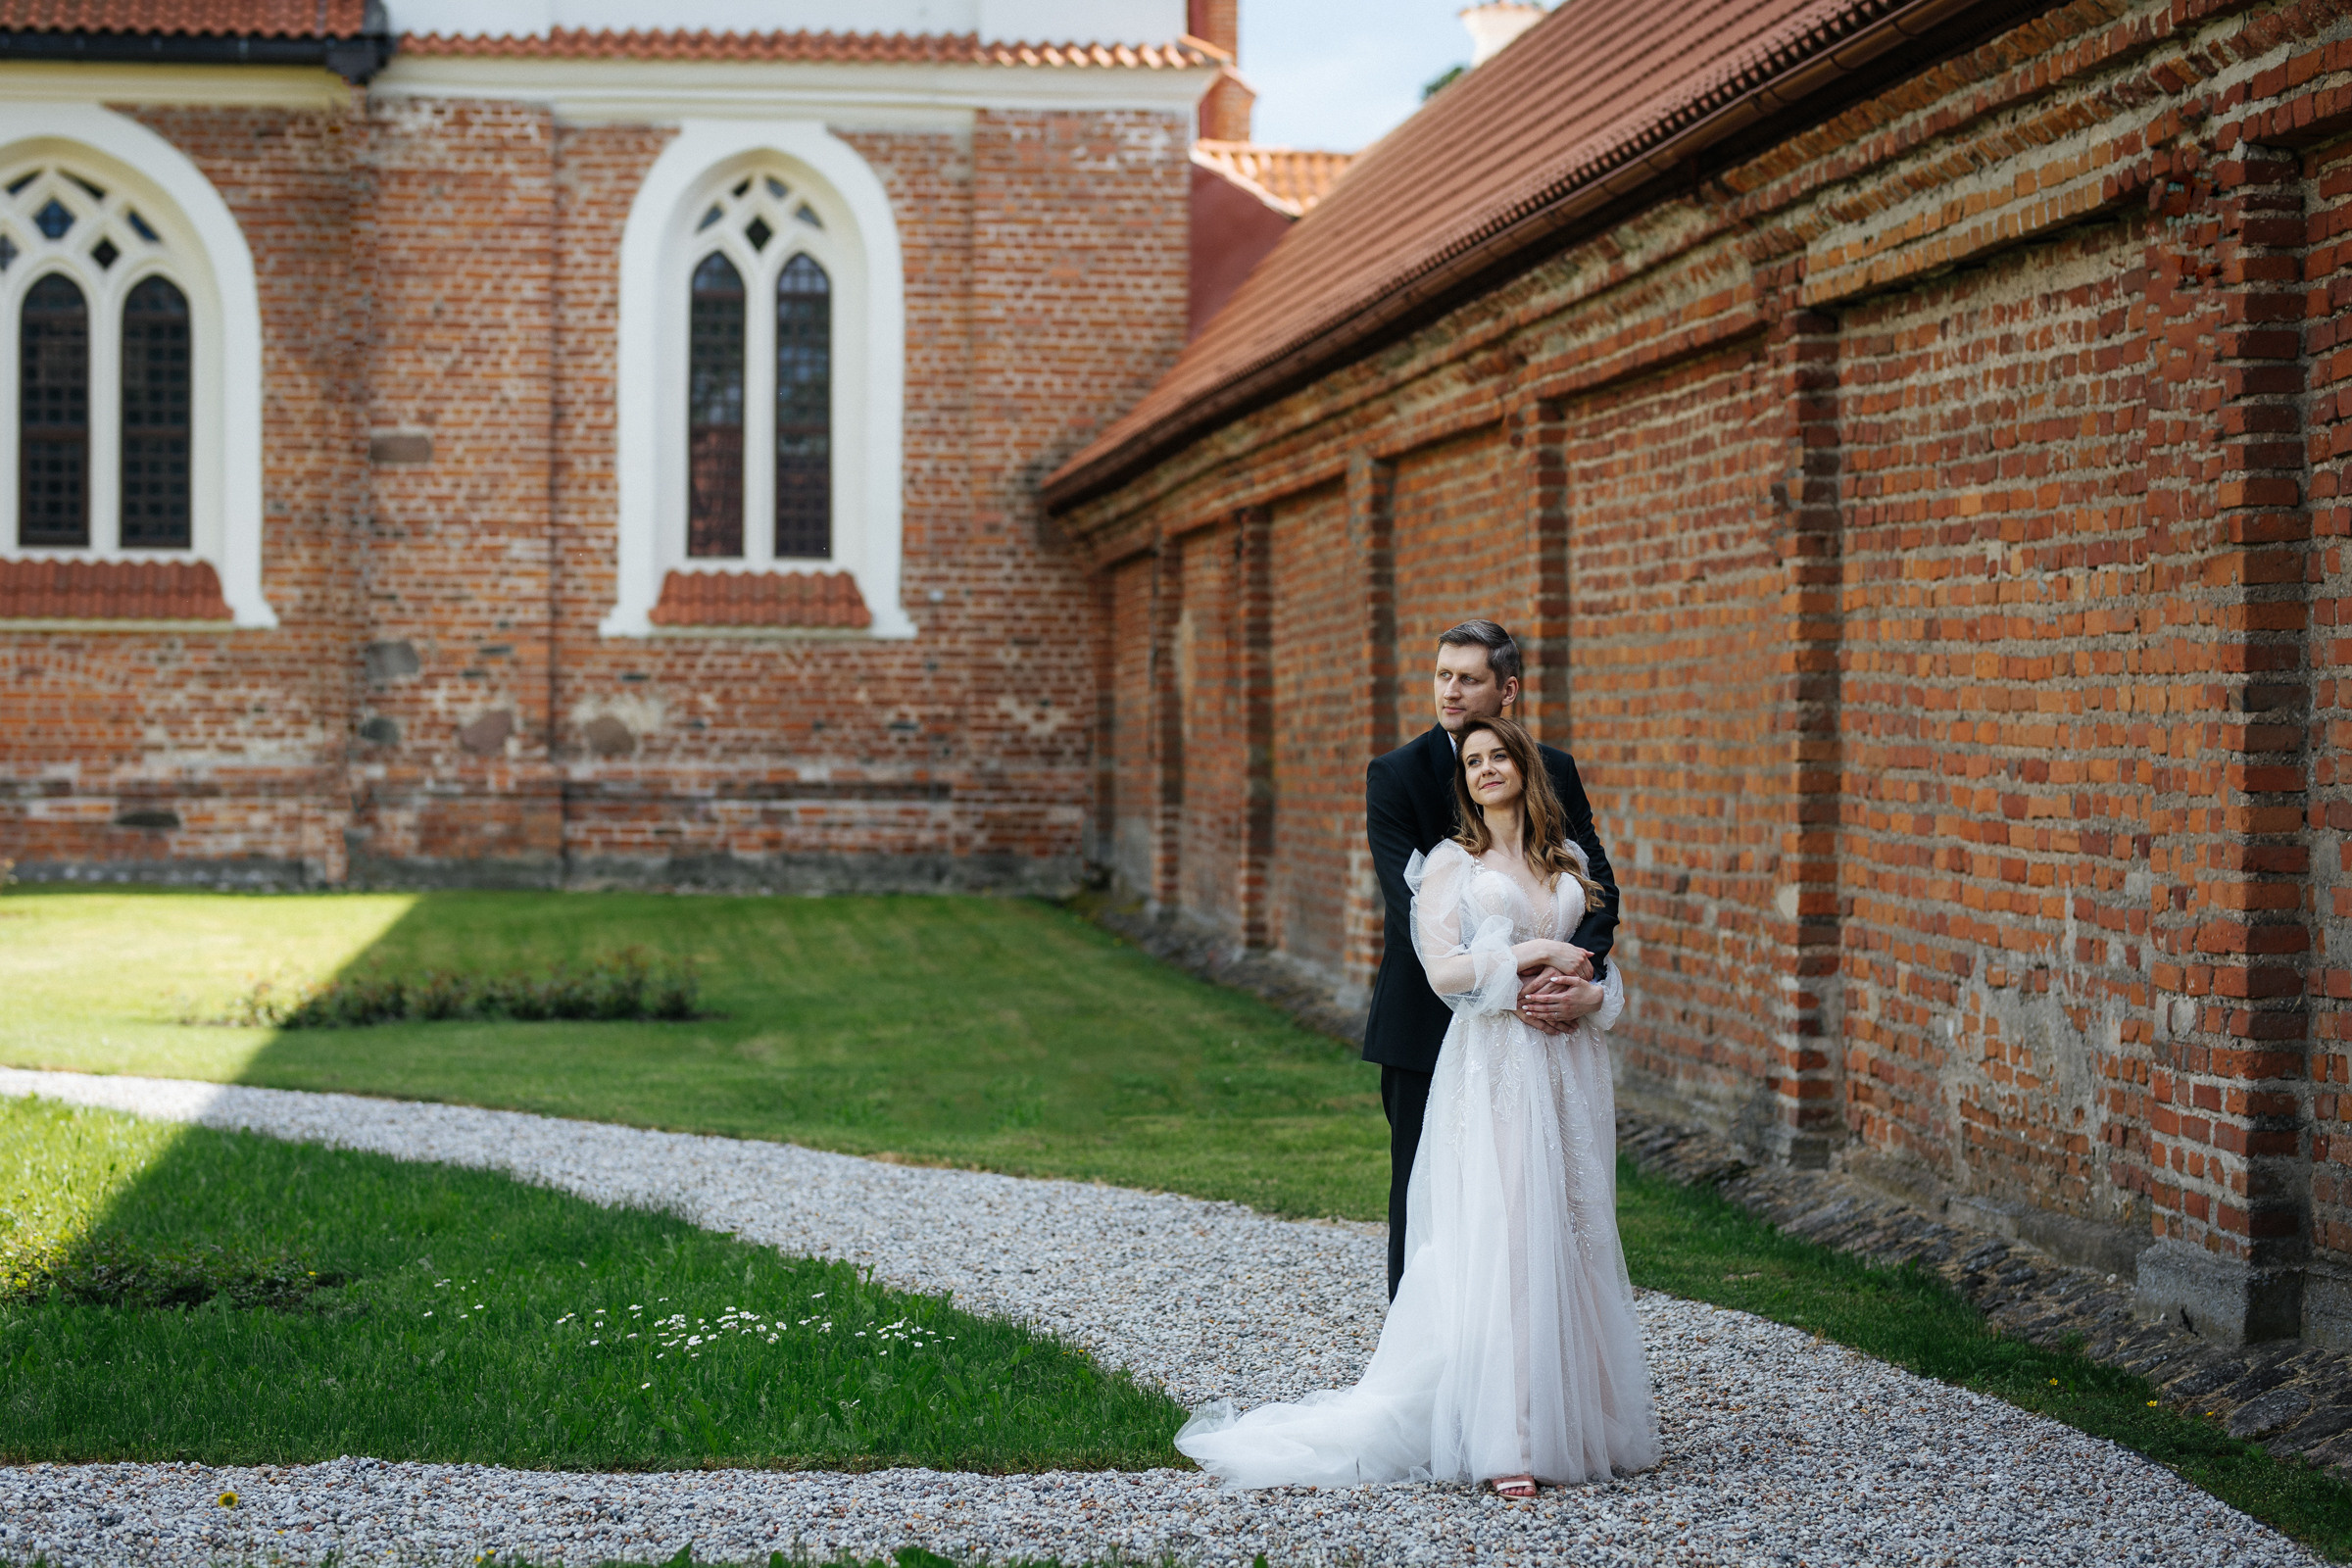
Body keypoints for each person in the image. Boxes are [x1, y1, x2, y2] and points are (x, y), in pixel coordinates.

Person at [1176, 712, 1658, 1493]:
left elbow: (1600, 961)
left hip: (1570, 1066)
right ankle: (1512, 1442)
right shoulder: (1448, 866)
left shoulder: (1566, 857)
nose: (1487, 770)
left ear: (1525, 767)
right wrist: (1535, 953)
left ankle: (1586, 1419)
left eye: (1500, 756)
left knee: (1573, 1227)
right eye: (1472, 762)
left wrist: (1586, 992)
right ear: (1462, 780)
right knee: (1510, 1234)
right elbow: (1444, 973)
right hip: (1496, 1067)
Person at [1362, 620, 1618, 1298]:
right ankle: (1422, 1369)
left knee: (1541, 1199)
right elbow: (1411, 903)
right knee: (1426, 1192)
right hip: (1427, 1023)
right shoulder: (1394, 775)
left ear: (1506, 690)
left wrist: (1579, 972)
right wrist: (1520, 981)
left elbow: (1597, 888)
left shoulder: (1554, 770)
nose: (1450, 690)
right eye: (1443, 674)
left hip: (1550, 1034)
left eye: (1468, 678)